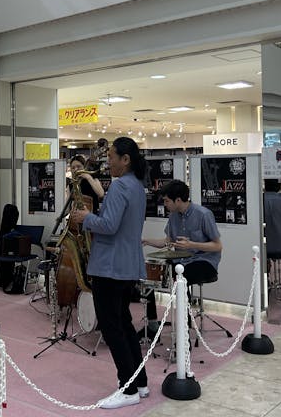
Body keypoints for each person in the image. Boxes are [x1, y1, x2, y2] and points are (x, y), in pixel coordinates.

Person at [69, 137, 148, 410]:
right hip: (127, 266)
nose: (108, 161)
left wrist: (85, 218)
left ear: (125, 160)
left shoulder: (120, 186)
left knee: (112, 327)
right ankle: (140, 382)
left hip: (110, 267)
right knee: (124, 323)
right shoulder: (137, 186)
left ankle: (128, 388)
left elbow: (109, 225)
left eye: (112, 156)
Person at [142, 179, 224, 315]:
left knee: (181, 278)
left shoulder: (203, 214)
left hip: (204, 261)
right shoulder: (173, 216)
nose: (164, 204)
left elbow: (218, 246)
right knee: (148, 276)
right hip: (180, 261)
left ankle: (185, 322)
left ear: (178, 200)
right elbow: (167, 241)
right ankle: (152, 322)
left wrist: (191, 244)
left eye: (167, 201)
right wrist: (146, 241)